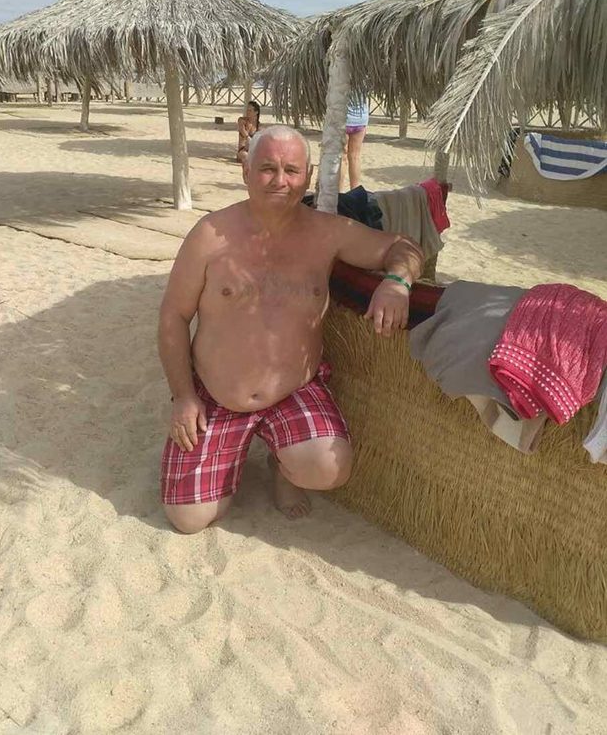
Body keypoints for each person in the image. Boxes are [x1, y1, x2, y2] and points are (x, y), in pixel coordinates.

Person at [158, 125, 424, 534]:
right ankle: (229, 457)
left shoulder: (328, 232)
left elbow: (403, 247)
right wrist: (183, 397)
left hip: (292, 390)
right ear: (246, 171)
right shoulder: (209, 235)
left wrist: (397, 283)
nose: (279, 180)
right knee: (189, 520)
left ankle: (281, 467)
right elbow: (173, 316)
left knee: (329, 468)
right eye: (267, 168)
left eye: (291, 170)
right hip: (215, 395)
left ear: (308, 175)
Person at [341, 95, 369, 190]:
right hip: (361, 118)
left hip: (342, 119)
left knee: (342, 158)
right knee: (355, 157)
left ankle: (339, 192)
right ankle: (355, 191)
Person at [236, 100, 260, 164]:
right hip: (243, 149)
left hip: (253, 151)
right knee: (245, 156)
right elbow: (242, 130)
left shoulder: (258, 125)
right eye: (247, 110)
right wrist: (248, 138)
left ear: (256, 112)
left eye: (250, 110)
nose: (247, 112)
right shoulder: (242, 120)